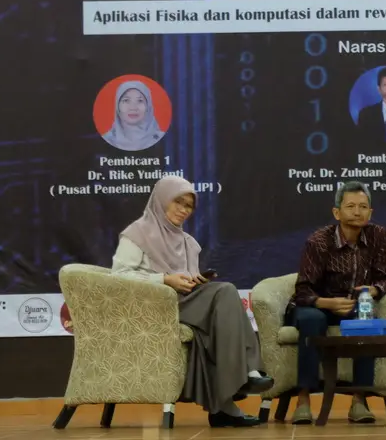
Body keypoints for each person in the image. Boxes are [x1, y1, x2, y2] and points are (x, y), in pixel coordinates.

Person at [112, 175, 273, 427]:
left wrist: (193, 282)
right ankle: (247, 373)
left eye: (188, 206)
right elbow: (119, 277)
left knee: (219, 322)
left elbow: (186, 280)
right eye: (178, 202)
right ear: (162, 199)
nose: (183, 210)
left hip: (184, 303)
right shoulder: (137, 234)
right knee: (225, 292)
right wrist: (165, 279)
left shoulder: (188, 242)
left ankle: (225, 406)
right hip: (153, 306)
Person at [285, 181, 386, 425]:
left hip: (353, 305)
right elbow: (303, 291)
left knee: (366, 320)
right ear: (337, 212)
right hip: (315, 305)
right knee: (312, 320)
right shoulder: (319, 241)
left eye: (363, 207)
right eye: (351, 206)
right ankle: (303, 399)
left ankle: (359, 400)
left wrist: (374, 290)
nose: (357, 212)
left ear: (370, 212)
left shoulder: (379, 236)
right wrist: (327, 303)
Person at [102, 79, 166, 151]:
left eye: (140, 101)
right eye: (126, 100)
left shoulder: (164, 140)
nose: (133, 108)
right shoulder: (106, 140)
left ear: (148, 106)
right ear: (117, 106)